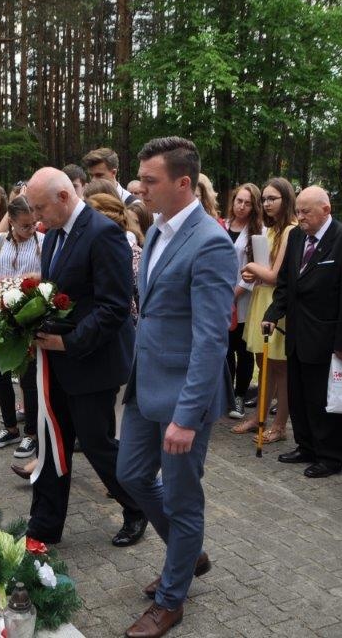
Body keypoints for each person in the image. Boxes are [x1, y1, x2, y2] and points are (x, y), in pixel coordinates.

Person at [116, 137, 235, 638]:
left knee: (183, 499)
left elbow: (211, 340)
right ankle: (189, 554)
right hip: (145, 384)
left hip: (185, 394)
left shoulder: (210, 242)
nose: (139, 189)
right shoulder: (158, 230)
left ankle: (171, 598)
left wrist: (186, 417)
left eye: (150, 180)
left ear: (183, 183)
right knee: (131, 474)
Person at [23, 166, 146, 551]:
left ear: (63, 197)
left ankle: (138, 506)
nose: (35, 216)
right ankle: (44, 526)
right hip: (58, 360)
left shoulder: (103, 232)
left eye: (40, 208)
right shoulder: (54, 234)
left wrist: (69, 342)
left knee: (97, 444)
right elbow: (58, 293)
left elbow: (114, 307)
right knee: (52, 441)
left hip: (92, 360)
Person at [261, 186, 342, 478]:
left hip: (327, 336)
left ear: (326, 209)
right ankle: (306, 446)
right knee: (298, 395)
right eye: (298, 211)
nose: (300, 217)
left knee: (322, 399)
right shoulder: (297, 237)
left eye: (306, 212)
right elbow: (286, 283)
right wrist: (272, 314)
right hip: (297, 332)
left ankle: (330, 456)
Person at [235, 177, 297, 441]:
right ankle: (259, 416)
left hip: (276, 301)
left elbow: (275, 275)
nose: (267, 203)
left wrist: (250, 268)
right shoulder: (270, 229)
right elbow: (265, 271)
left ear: (286, 199)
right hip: (261, 297)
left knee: (280, 367)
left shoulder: (291, 230)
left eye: (273, 198)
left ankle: (280, 425)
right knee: (263, 362)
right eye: (265, 199)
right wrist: (253, 274)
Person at [0, 195, 43, 457]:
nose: (31, 229)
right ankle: (9, 427)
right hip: (1, 312)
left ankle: (32, 433)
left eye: (33, 224)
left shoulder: (43, 241)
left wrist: (31, 279)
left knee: (28, 377)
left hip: (29, 315)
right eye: (25, 225)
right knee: (0, 373)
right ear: (12, 222)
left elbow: (51, 274)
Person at [224, 183, 263, 419]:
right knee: (225, 349)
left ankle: (239, 396)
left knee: (243, 350)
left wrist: (234, 295)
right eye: (239, 200)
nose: (242, 206)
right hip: (221, 297)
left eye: (248, 203)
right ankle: (227, 395)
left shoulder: (258, 232)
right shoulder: (223, 225)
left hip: (244, 300)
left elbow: (254, 269)